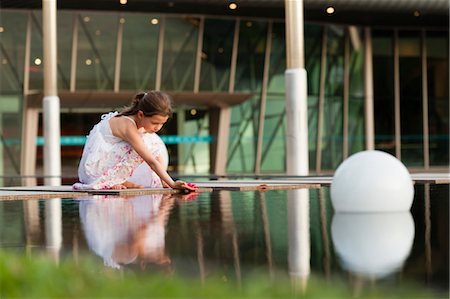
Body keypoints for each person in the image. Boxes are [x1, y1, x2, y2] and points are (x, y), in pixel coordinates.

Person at [73, 90, 197, 191]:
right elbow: (151, 161)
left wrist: (166, 181)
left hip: (96, 168)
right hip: (94, 173)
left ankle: (120, 180)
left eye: (162, 124)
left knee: (147, 141)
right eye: (155, 123)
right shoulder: (128, 125)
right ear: (141, 115)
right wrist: (172, 183)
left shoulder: (132, 123)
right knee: (147, 145)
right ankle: (108, 181)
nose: (158, 128)